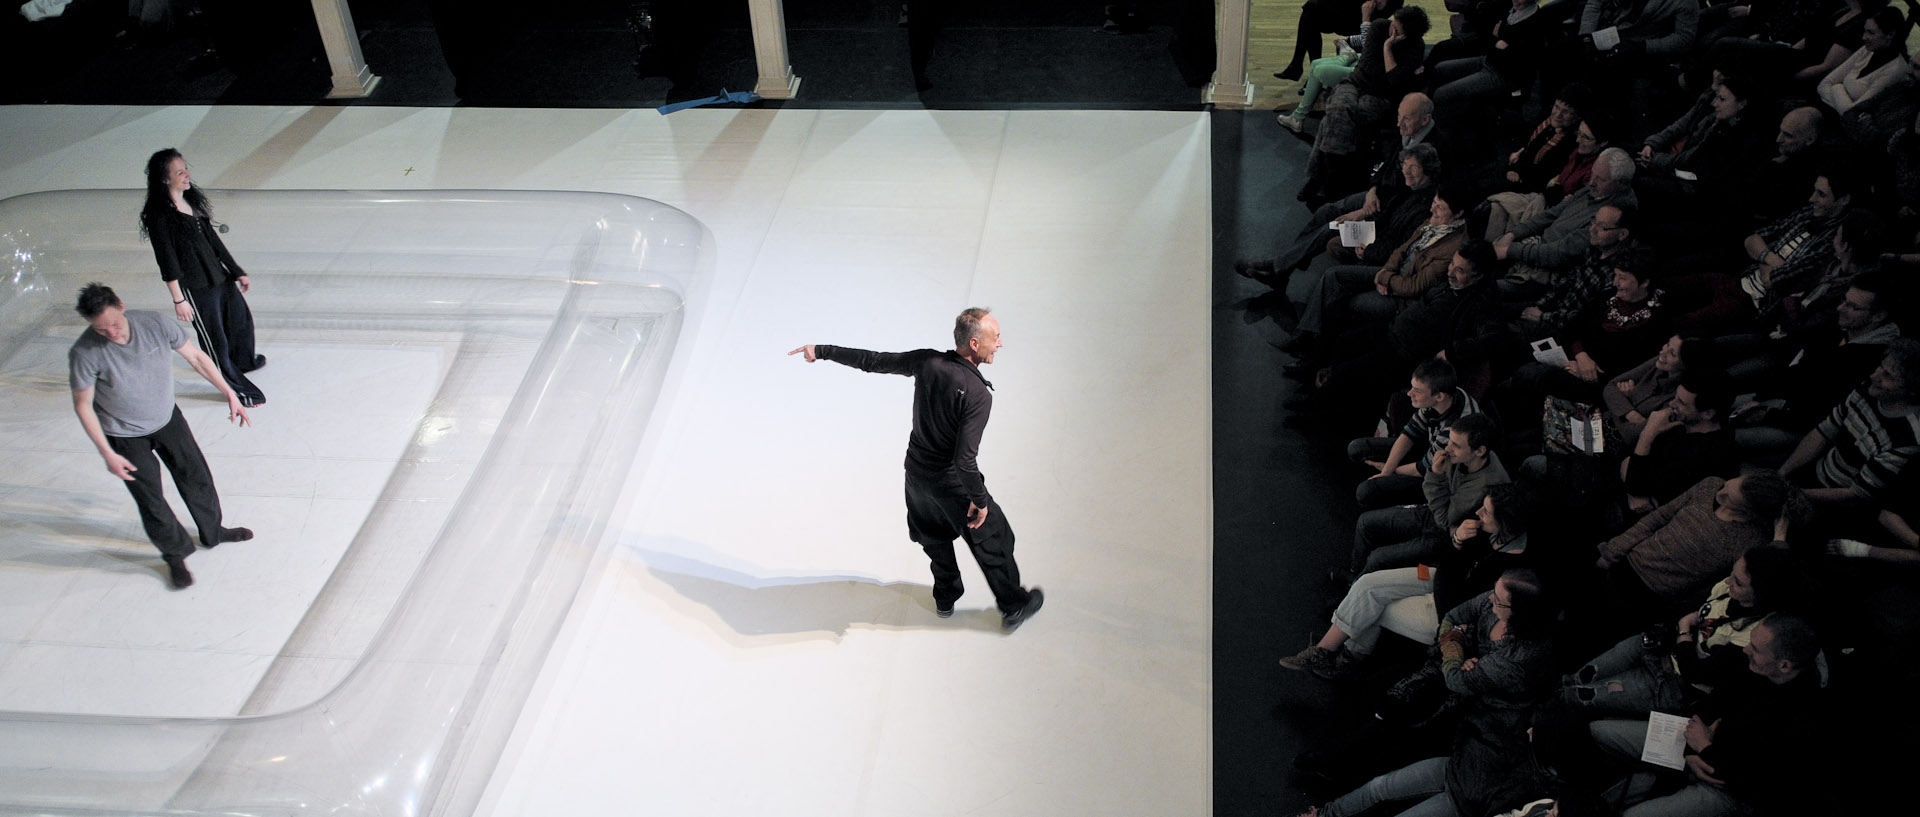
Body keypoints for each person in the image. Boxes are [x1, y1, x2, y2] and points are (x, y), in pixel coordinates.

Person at [789, 307, 1045, 630]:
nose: (1001, 344)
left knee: (934, 536)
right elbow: (964, 461)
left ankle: (945, 597)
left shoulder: (927, 362)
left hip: (916, 477)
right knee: (994, 537)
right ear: (976, 344)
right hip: (952, 483)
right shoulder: (978, 395)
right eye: (996, 338)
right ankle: (1014, 605)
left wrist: (821, 351)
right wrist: (979, 500)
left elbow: (873, 361)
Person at [67, 283, 253, 589]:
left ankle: (213, 530)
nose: (112, 333)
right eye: (101, 329)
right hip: (123, 434)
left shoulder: (153, 324)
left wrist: (229, 392)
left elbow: (196, 357)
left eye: (114, 323)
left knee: (196, 477)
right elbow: (83, 405)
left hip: (167, 419)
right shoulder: (85, 352)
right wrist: (107, 453)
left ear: (122, 306)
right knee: (150, 498)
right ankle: (175, 554)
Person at [139, 147, 265, 408]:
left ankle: (243, 363)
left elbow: (214, 242)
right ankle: (235, 389)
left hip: (220, 278)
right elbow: (167, 259)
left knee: (241, 323)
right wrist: (178, 299)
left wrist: (236, 270)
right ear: (164, 179)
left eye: (186, 169)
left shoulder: (191, 203)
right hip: (196, 287)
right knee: (215, 340)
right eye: (179, 172)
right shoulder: (159, 215)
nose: (187, 175)